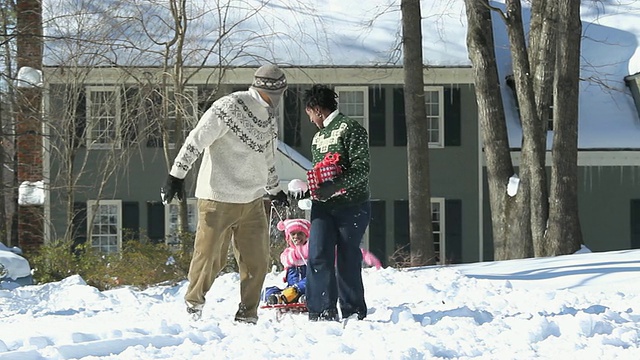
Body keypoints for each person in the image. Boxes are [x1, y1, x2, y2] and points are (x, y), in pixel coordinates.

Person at [160, 64, 290, 324]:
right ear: (267, 90)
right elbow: (196, 139)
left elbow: (268, 158)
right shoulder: (227, 107)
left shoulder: (268, 117)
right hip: (217, 196)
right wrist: (176, 175)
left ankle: (247, 314)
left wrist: (275, 191)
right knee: (209, 256)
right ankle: (193, 304)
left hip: (252, 199)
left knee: (257, 260)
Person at [301, 84, 373, 322]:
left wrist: (336, 185)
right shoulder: (318, 138)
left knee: (347, 257)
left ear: (317, 109)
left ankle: (353, 310)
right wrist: (313, 190)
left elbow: (363, 168)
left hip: (352, 205)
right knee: (318, 253)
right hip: (324, 207)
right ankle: (321, 309)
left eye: (310, 114)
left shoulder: (351, 129)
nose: (311, 120)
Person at [263, 218, 382, 306]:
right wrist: (303, 251)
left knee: (309, 280)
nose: (296, 237)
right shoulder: (287, 253)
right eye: (293, 234)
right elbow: (288, 259)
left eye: (300, 234)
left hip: (308, 286)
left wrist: (363, 255)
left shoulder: (314, 250)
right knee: (267, 290)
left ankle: (301, 297)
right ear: (288, 238)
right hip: (289, 288)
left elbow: (339, 252)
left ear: (307, 236)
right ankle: (276, 297)